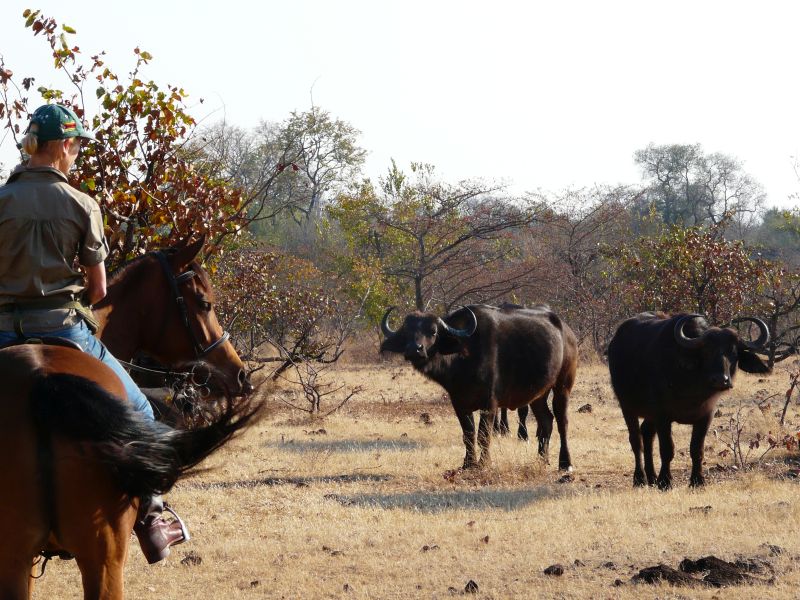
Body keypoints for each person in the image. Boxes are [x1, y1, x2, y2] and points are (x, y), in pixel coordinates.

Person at [0, 103, 188, 564]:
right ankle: (151, 515)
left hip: (3, 330)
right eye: (76, 145)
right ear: (64, 146)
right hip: (63, 327)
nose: (77, 153)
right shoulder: (83, 204)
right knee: (142, 412)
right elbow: (100, 288)